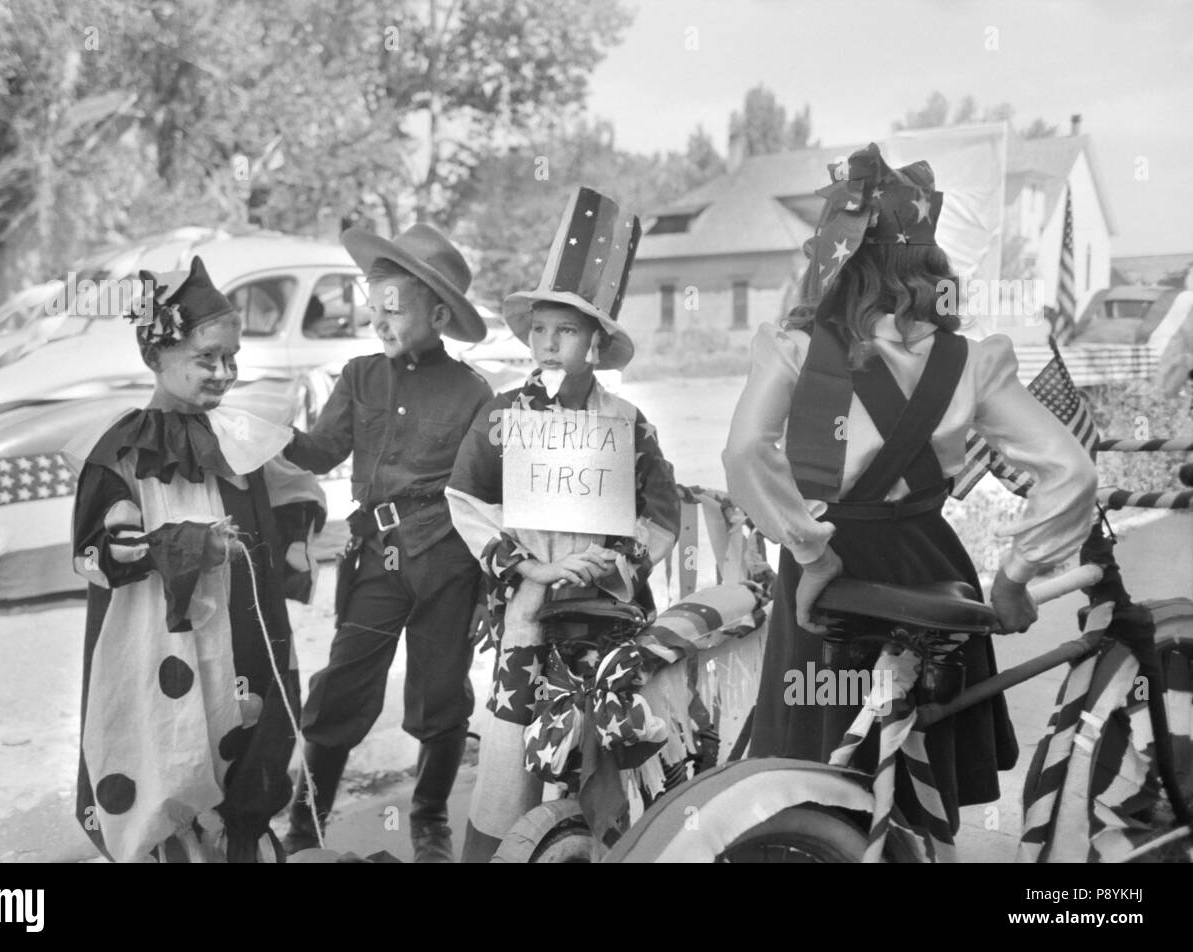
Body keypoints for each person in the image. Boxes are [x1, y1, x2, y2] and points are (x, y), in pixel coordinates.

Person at [722, 144, 1098, 842]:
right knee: (925, 765)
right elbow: (1071, 471)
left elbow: (744, 454)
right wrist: (1015, 575)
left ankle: (817, 848)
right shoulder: (971, 360)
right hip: (932, 565)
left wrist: (809, 547)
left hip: (828, 575)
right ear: (925, 265)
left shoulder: (794, 348)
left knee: (821, 756)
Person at [446, 187, 680, 862]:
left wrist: (622, 561)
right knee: (512, 754)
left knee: (605, 754)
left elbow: (660, 508)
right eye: (540, 330)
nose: (550, 343)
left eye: (568, 331)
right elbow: (466, 499)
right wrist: (531, 568)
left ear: (596, 343)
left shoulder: (625, 423)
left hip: (605, 609)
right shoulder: (500, 415)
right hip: (529, 607)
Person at [65, 257, 326, 863]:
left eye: (232, 358)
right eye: (207, 357)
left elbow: (296, 491)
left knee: (243, 728)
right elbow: (97, 556)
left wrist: (293, 534)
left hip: (237, 637)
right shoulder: (120, 454)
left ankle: (241, 836)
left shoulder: (237, 436)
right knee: (170, 744)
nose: (225, 372)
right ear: (157, 356)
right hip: (156, 642)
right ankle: (173, 842)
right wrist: (190, 545)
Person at [280, 223, 492, 862]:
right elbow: (319, 452)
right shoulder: (360, 376)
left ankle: (429, 822)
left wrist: (486, 589)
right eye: (373, 307)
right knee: (343, 684)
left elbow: (485, 500)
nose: (378, 321)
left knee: (441, 690)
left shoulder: (474, 393)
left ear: (437, 311)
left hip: (448, 561)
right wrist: (263, 435)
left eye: (392, 308)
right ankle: (304, 822)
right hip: (374, 558)